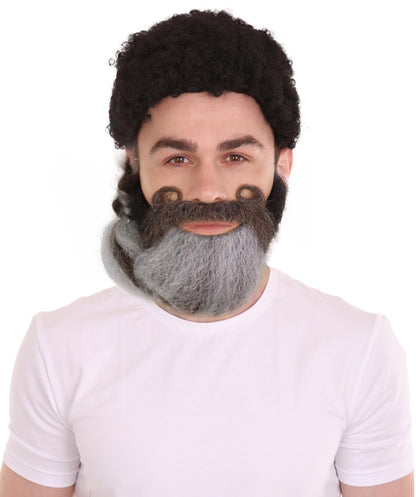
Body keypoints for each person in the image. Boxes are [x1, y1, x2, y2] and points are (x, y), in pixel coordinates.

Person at [0, 9, 414, 497]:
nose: (209, 189)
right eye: (178, 158)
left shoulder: (358, 347)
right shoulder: (59, 346)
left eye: (235, 156)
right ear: (136, 167)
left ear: (281, 167)